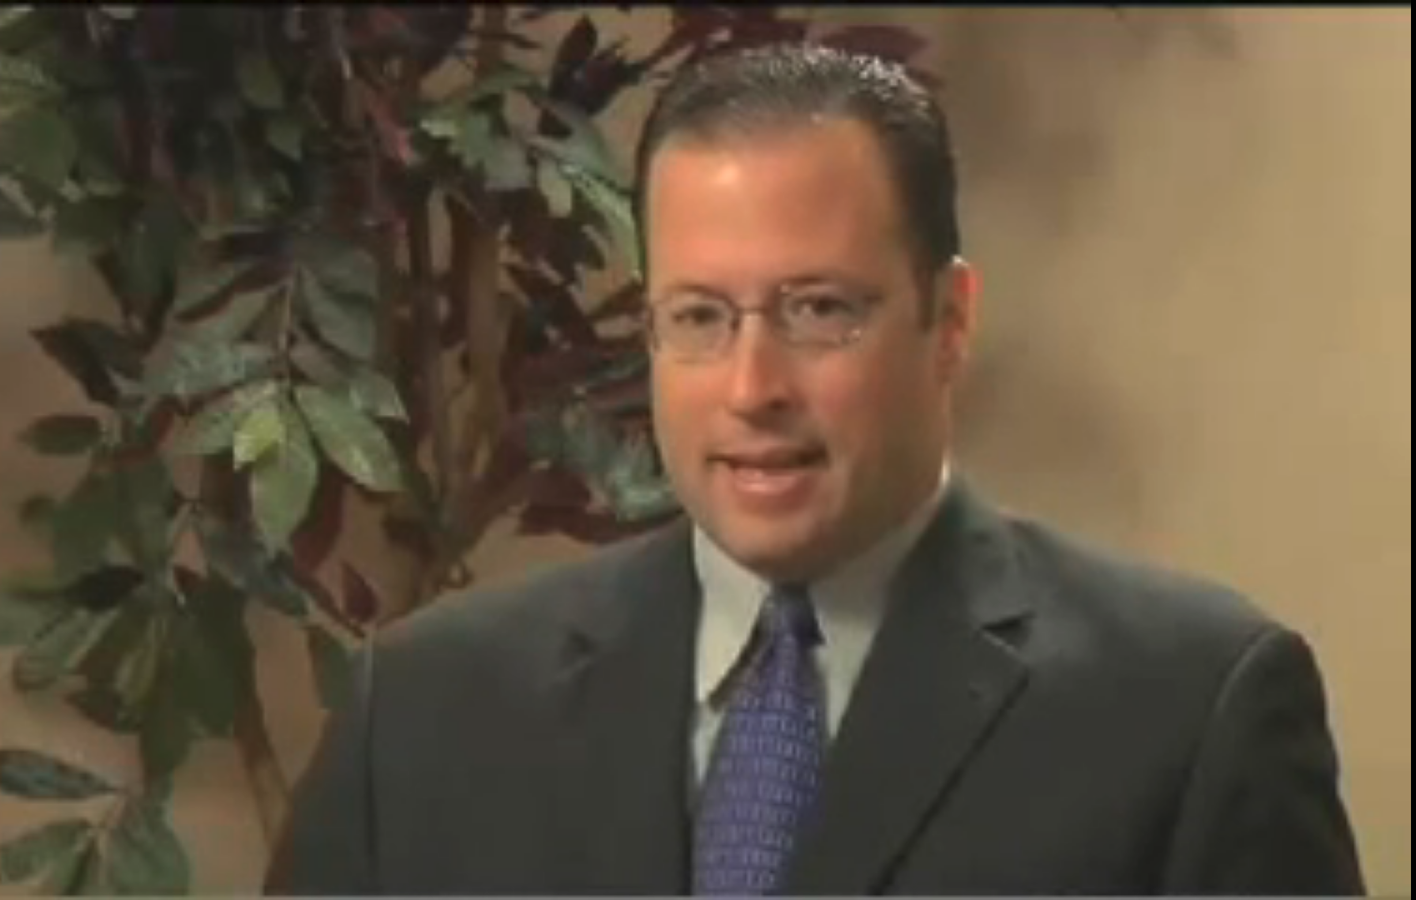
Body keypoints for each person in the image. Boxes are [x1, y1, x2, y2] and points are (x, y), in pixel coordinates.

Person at [264, 42, 1364, 895]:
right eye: (700, 316)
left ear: (949, 321)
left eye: (818, 309)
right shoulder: (420, 717)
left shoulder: (1190, 715)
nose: (753, 386)